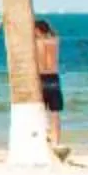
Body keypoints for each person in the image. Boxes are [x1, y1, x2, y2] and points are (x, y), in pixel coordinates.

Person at [34, 17, 65, 153]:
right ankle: (56, 142)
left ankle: (44, 138)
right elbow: (55, 34)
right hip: (53, 77)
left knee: (40, 111)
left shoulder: (35, 43)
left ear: (37, 30)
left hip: (40, 77)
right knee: (55, 113)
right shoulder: (54, 41)